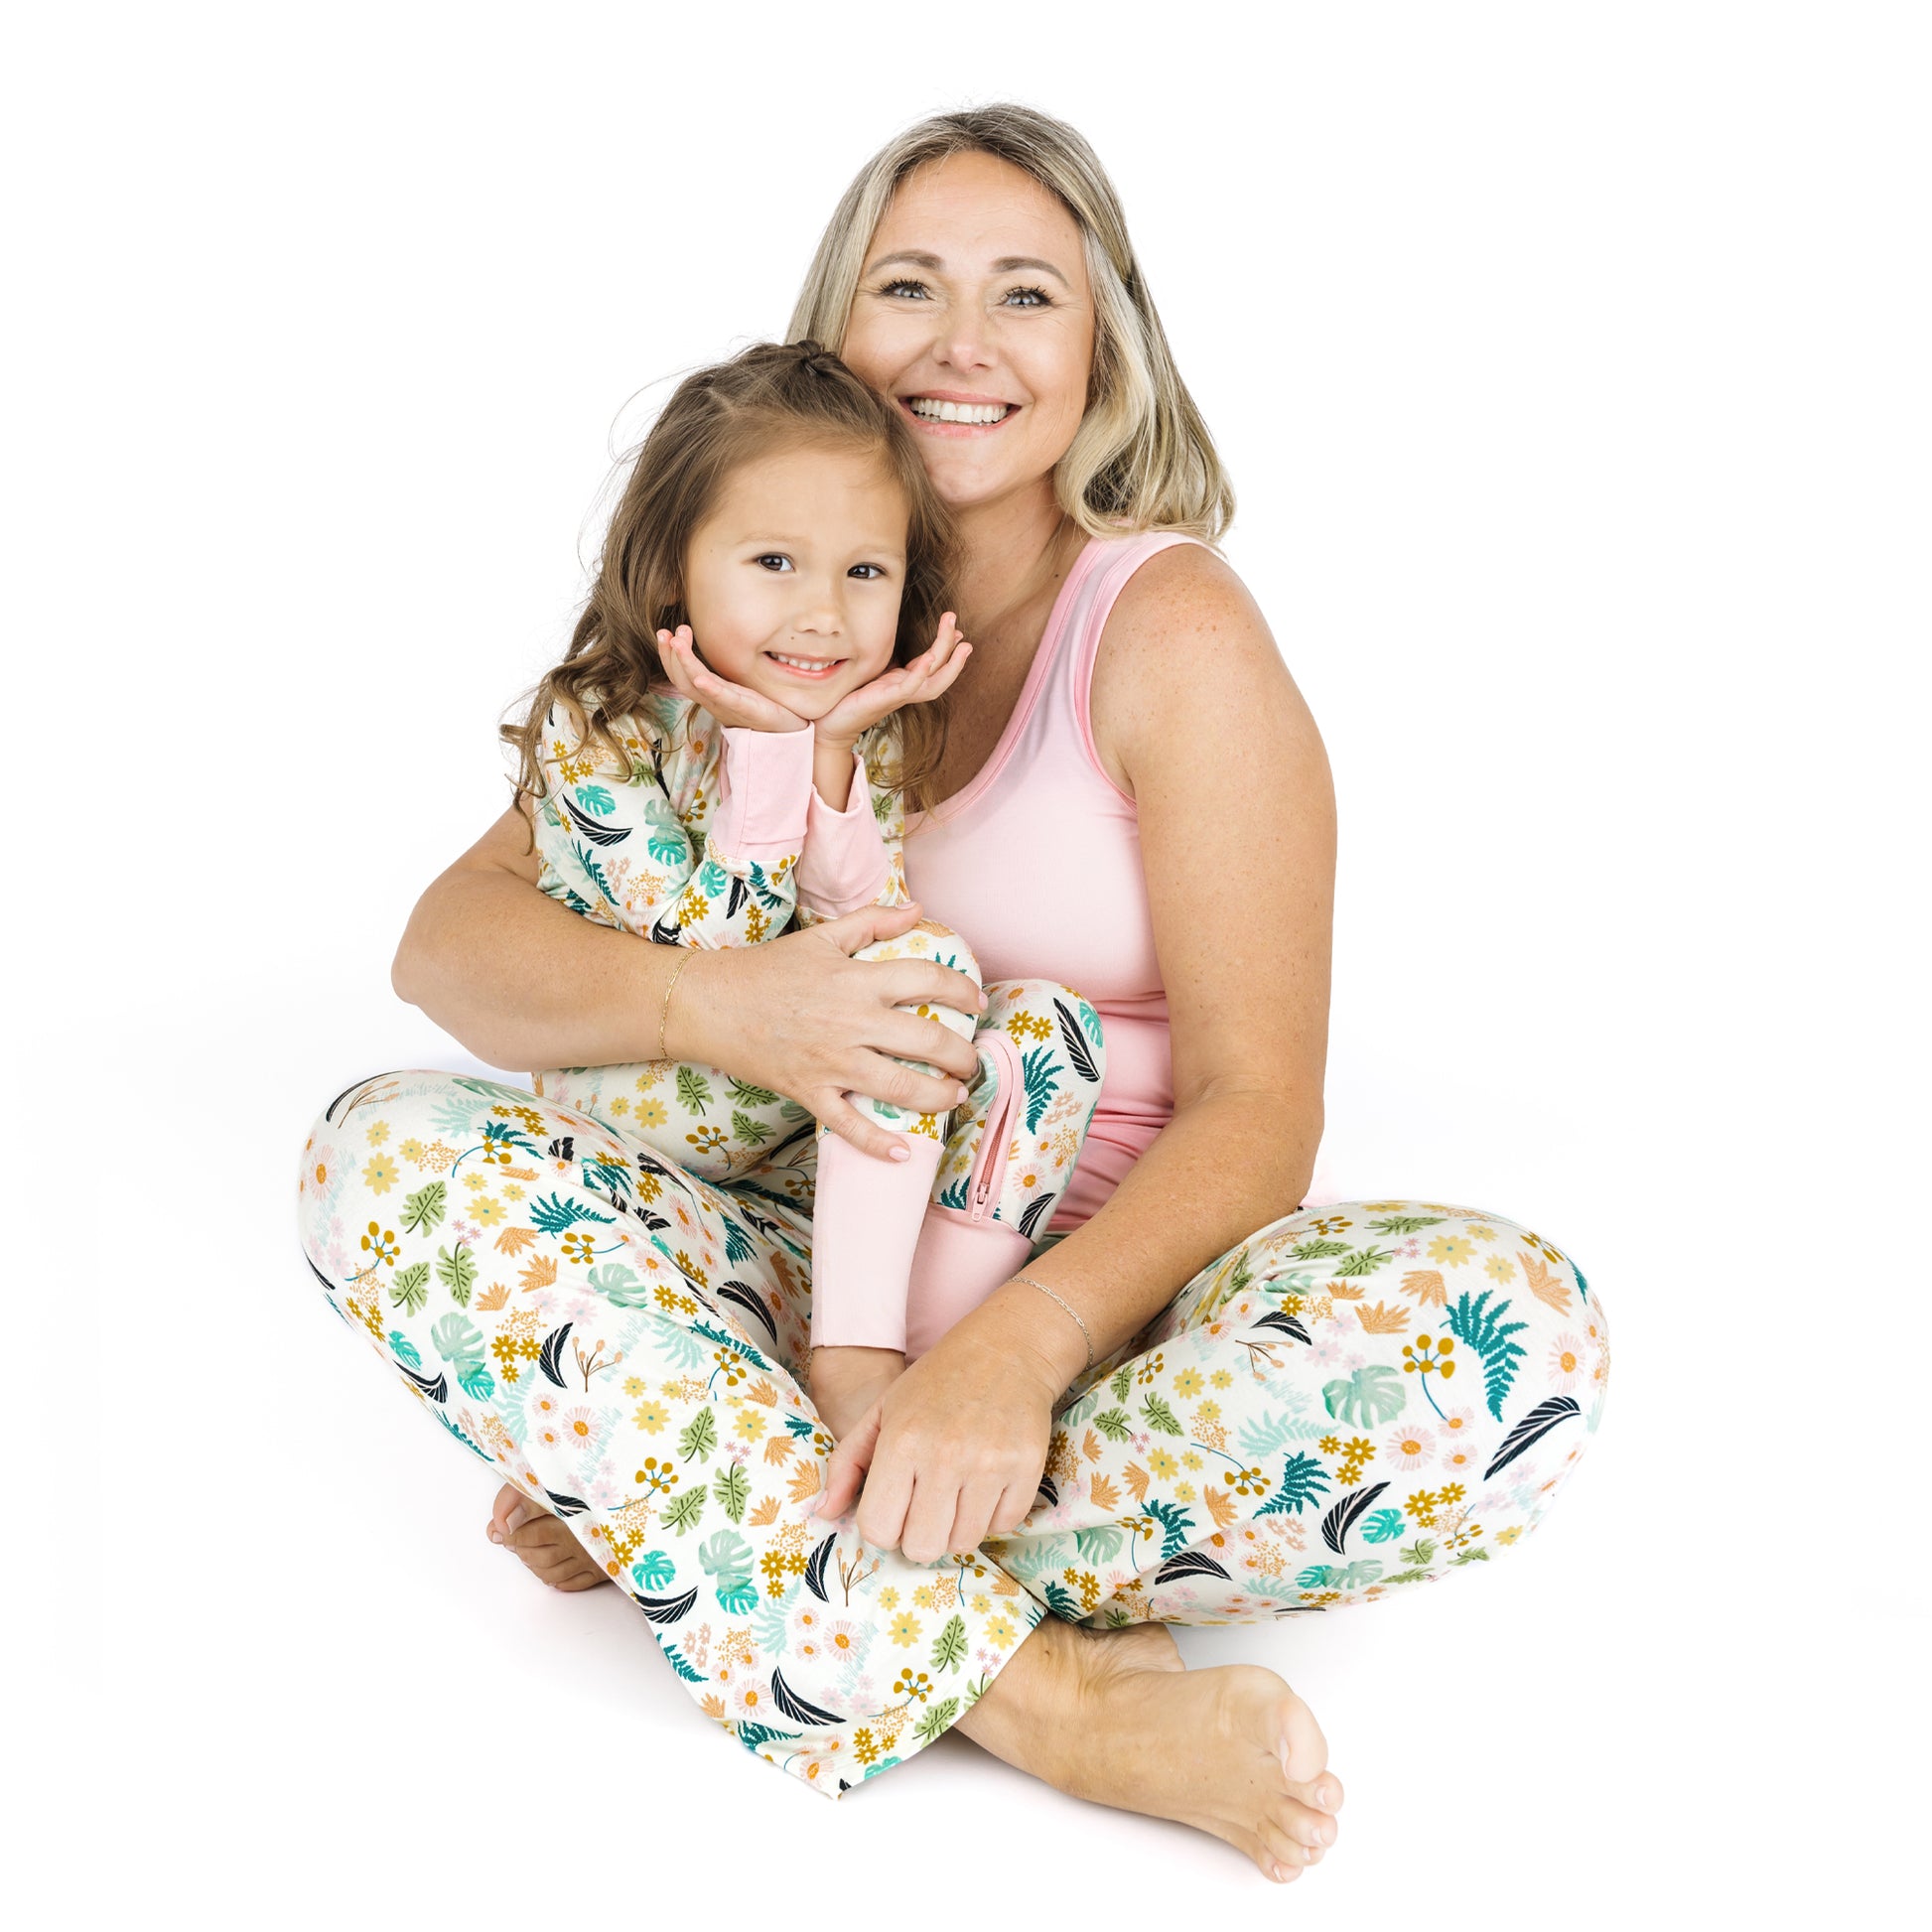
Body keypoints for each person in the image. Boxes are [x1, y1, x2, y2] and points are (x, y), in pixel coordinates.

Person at [296, 104, 1611, 1883]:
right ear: (834, 330)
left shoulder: (1171, 632)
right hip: (804, 1274)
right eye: (909, 287)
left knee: (1509, 1332)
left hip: (1100, 1319)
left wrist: (1008, 1354)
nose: (963, 345)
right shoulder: (765, 607)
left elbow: (1258, 1106)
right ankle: (1044, 1695)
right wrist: (718, 1008)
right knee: (383, 1156)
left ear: (1103, 356)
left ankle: (712, 1491)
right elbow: (445, 947)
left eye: (1026, 298)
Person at [507, 336, 1108, 1441]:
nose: (823, 612)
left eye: (863, 572)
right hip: (656, 1095)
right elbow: (712, 949)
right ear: (673, 561)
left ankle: (913, 1368)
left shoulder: (853, 724)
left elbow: (859, 922)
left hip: (800, 1116)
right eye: (774, 563)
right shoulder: (595, 729)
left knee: (1037, 1024)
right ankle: (852, 1365)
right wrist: (770, 750)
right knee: (908, 980)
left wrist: (828, 752)